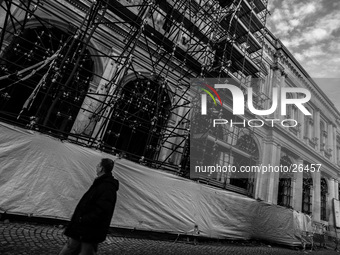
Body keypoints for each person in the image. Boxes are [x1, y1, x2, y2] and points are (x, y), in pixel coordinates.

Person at [59, 158, 119, 255]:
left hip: (89, 227)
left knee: (83, 251)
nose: (96, 167)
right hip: (84, 225)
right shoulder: (101, 183)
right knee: (72, 247)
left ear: (101, 169)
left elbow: (102, 209)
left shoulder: (107, 186)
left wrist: (84, 219)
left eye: (98, 165)